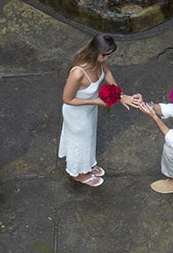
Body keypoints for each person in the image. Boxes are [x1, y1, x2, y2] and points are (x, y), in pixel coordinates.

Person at [58, 33, 140, 186]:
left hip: (89, 109)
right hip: (76, 113)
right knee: (80, 141)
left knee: (89, 138)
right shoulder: (77, 73)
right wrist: (95, 100)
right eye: (107, 56)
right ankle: (78, 173)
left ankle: (87, 163)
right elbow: (67, 99)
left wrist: (120, 95)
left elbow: (107, 73)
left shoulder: (98, 62)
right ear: (98, 54)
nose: (109, 58)